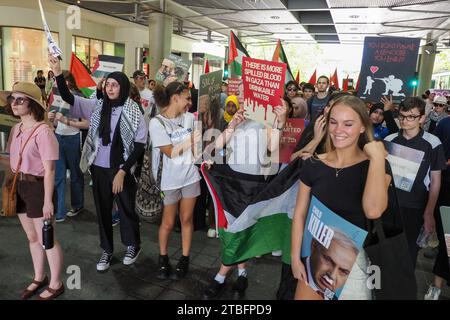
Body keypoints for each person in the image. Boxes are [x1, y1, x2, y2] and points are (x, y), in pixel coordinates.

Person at [49, 54, 147, 272]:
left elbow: (140, 144)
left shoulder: (133, 110)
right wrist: (57, 72)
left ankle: (133, 245)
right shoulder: (98, 106)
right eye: (108, 84)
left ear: (122, 86)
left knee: (126, 209)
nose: (110, 88)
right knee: (103, 211)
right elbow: (69, 97)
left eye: (115, 85)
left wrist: (122, 172)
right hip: (99, 169)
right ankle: (107, 250)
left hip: (122, 169)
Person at [291, 95, 391, 300]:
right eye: (334, 122)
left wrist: (378, 157)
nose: (338, 130)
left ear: (363, 126)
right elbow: (300, 213)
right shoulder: (313, 165)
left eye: (348, 124)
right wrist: (295, 257)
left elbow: (373, 210)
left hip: (354, 269)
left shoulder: (375, 165)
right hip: (315, 261)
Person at [202, 98, 288, 299]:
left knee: (239, 230)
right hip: (230, 182)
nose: (242, 99)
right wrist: (232, 125)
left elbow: (273, 146)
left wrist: (280, 121)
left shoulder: (265, 121)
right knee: (233, 229)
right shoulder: (234, 120)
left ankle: (221, 277)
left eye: (245, 94)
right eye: (239, 94)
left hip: (252, 185)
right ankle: (241, 272)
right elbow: (215, 147)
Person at [0, 82, 64, 300]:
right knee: (32, 236)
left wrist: (48, 201)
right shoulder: (17, 128)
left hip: (38, 187)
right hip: (20, 186)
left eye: (20, 100)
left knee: (48, 239)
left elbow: (50, 171)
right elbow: (12, 160)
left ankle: (56, 283)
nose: (14, 104)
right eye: (12, 99)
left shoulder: (44, 132)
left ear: (33, 104)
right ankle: (39, 277)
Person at [384, 97, 446, 270]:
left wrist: (429, 212)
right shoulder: (390, 139)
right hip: (387, 204)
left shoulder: (432, 143)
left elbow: (435, 181)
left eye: (411, 116)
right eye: (402, 116)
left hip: (414, 207)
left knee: (408, 255)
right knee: (383, 253)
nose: (405, 120)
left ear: (422, 118)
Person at [149, 82, 202, 281]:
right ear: (175, 98)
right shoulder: (157, 123)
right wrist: (190, 140)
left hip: (190, 177)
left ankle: (185, 258)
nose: (190, 102)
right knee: (168, 222)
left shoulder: (190, 118)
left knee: (187, 220)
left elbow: (196, 151)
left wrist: (203, 155)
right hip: (169, 180)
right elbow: (170, 152)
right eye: (187, 98)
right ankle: (163, 258)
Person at [47, 71, 89, 222]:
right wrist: (51, 119)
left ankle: (78, 205)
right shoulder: (55, 97)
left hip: (74, 138)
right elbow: (53, 122)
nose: (57, 85)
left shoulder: (79, 98)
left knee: (76, 175)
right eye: (56, 82)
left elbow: (86, 123)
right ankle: (59, 210)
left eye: (60, 82)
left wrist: (66, 121)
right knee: (58, 175)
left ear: (69, 82)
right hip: (58, 137)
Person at [425, 115, 450, 299]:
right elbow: (437, 155)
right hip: (447, 191)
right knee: (447, 243)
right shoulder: (445, 123)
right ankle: (436, 288)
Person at [303, 232, 358, 299]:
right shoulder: (290, 270)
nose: (332, 275)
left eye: (343, 271)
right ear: (314, 246)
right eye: (329, 260)